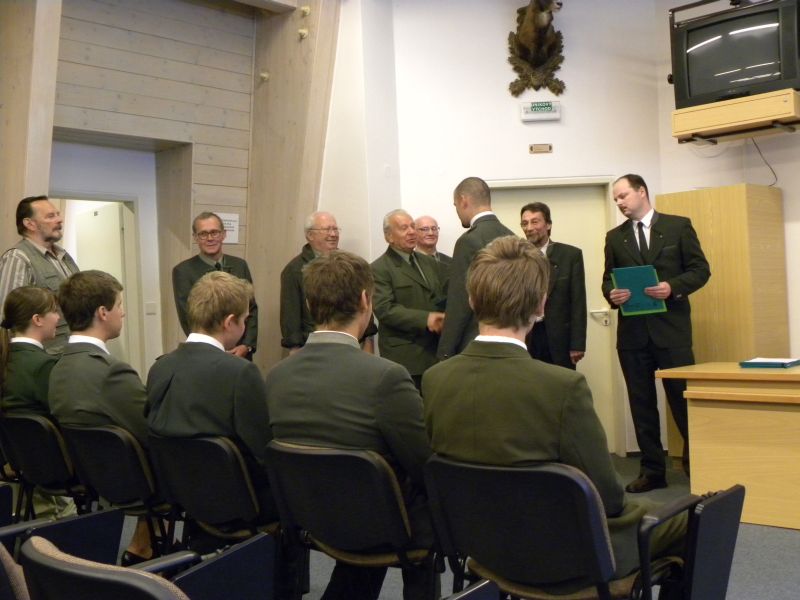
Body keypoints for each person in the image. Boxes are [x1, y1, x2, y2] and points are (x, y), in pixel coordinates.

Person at [423, 236, 686, 595]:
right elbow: (608, 499)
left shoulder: (435, 379)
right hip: (566, 554)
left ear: (470, 300)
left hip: (482, 545)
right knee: (698, 515)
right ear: (541, 305)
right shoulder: (563, 386)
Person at [265, 250, 436, 600]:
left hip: (312, 518)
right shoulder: (386, 377)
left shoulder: (276, 376)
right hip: (382, 526)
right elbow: (424, 463)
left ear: (309, 304)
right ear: (365, 300)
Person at [602, 174, 710, 493]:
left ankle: (699, 467)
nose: (619, 202)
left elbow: (700, 270)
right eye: (615, 199)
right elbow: (607, 279)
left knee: (682, 401)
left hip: (671, 332)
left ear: (642, 192)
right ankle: (652, 471)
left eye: (623, 195)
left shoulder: (678, 227)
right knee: (642, 404)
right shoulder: (615, 237)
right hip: (633, 335)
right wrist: (612, 295)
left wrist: (672, 287)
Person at [146, 270, 276, 522]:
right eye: (244, 319)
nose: (245, 326)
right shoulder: (240, 373)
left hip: (182, 498)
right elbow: (264, 451)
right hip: (240, 503)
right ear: (229, 322)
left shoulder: (160, 368)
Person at [48, 270, 152, 563]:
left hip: (96, 481)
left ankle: (143, 543)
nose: (124, 312)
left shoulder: (58, 369)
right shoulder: (110, 372)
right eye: (120, 305)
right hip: (135, 485)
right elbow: (151, 431)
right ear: (103, 313)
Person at [0, 286, 77, 519]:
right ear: (37, 319)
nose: (58, 318)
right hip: (51, 471)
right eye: (53, 311)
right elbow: (65, 418)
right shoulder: (43, 366)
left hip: (19, 465)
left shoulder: (6, 359)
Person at [437, 177, 514, 359]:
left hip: (476, 343)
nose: (457, 211)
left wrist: (445, 351)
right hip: (512, 340)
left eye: (455, 205)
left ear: (463, 200)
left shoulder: (469, 241)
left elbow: (459, 302)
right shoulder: (513, 238)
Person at [279, 211, 375, 354]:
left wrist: (368, 340)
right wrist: (295, 350)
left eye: (335, 229)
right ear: (310, 235)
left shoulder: (350, 264)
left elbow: (364, 301)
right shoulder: (294, 270)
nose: (333, 234)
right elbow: (290, 316)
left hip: (352, 345)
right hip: (312, 348)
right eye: (327, 229)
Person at [371, 210, 445, 389]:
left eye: (412, 226)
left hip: (437, 353)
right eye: (404, 228)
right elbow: (385, 309)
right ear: (389, 236)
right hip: (406, 357)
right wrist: (425, 319)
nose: (412, 232)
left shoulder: (429, 262)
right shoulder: (379, 268)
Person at [172, 212, 257, 360]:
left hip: (241, 353)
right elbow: (188, 318)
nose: (210, 238)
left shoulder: (240, 265)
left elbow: (251, 308)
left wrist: (246, 345)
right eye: (203, 234)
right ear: (195, 238)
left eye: (214, 232)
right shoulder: (183, 271)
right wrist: (216, 349)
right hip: (206, 354)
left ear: (223, 234)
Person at [0, 196, 79, 352]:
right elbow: (8, 318)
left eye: (58, 214)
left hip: (72, 352)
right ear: (30, 224)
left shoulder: (64, 256)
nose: (60, 220)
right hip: (44, 357)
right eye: (50, 216)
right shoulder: (18, 257)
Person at [520, 202, 587, 369]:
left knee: (561, 383)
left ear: (548, 224)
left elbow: (578, 302)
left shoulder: (570, 256)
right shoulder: (516, 257)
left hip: (559, 339)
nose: (529, 228)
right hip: (526, 335)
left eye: (535, 222)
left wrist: (577, 343)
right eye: (525, 223)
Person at [414, 215, 451, 282]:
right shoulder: (409, 262)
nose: (431, 233)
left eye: (434, 229)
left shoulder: (451, 262)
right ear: (414, 232)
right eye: (425, 229)